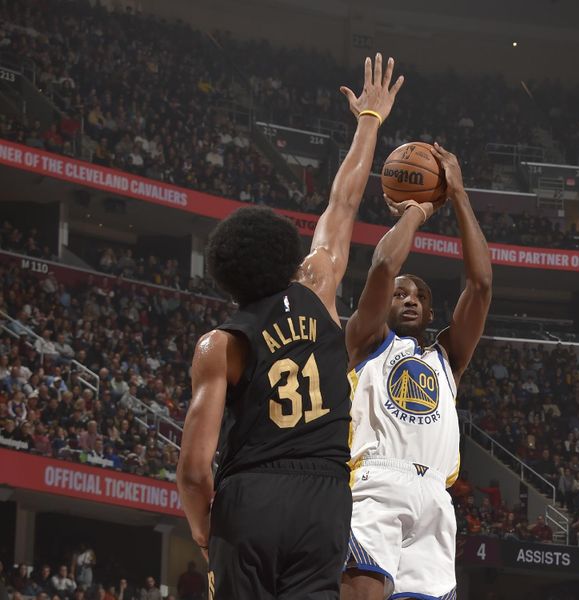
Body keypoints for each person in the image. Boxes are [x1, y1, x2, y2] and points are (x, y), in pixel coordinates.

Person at [177, 53, 405, 599]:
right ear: (285, 255)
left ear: (225, 278)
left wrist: (206, 530)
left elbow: (193, 470)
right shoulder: (318, 284)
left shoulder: (220, 346)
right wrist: (369, 121)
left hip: (251, 494)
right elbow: (344, 199)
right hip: (324, 497)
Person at [341, 144, 492, 600]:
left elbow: (481, 284)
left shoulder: (448, 359)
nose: (409, 299)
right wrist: (417, 211)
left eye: (420, 297)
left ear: (430, 311)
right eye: (400, 295)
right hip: (377, 483)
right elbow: (386, 265)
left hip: (436, 497)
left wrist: (460, 195)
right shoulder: (366, 340)